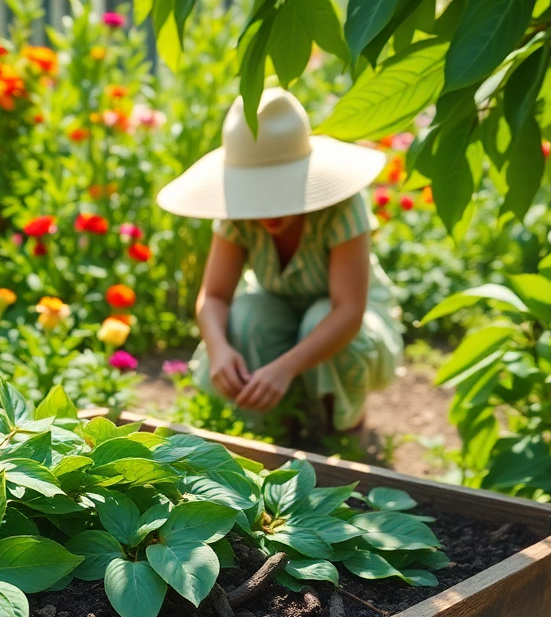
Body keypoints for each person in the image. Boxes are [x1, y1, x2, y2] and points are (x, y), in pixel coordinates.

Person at [156, 88, 404, 433]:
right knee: (246, 317)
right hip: (277, 310)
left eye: (278, 191)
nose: (267, 207)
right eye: (255, 193)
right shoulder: (235, 214)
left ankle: (340, 430)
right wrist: (219, 349)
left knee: (320, 320)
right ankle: (272, 426)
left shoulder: (341, 206)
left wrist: (285, 368)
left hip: (348, 319)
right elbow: (214, 296)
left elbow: (348, 311)